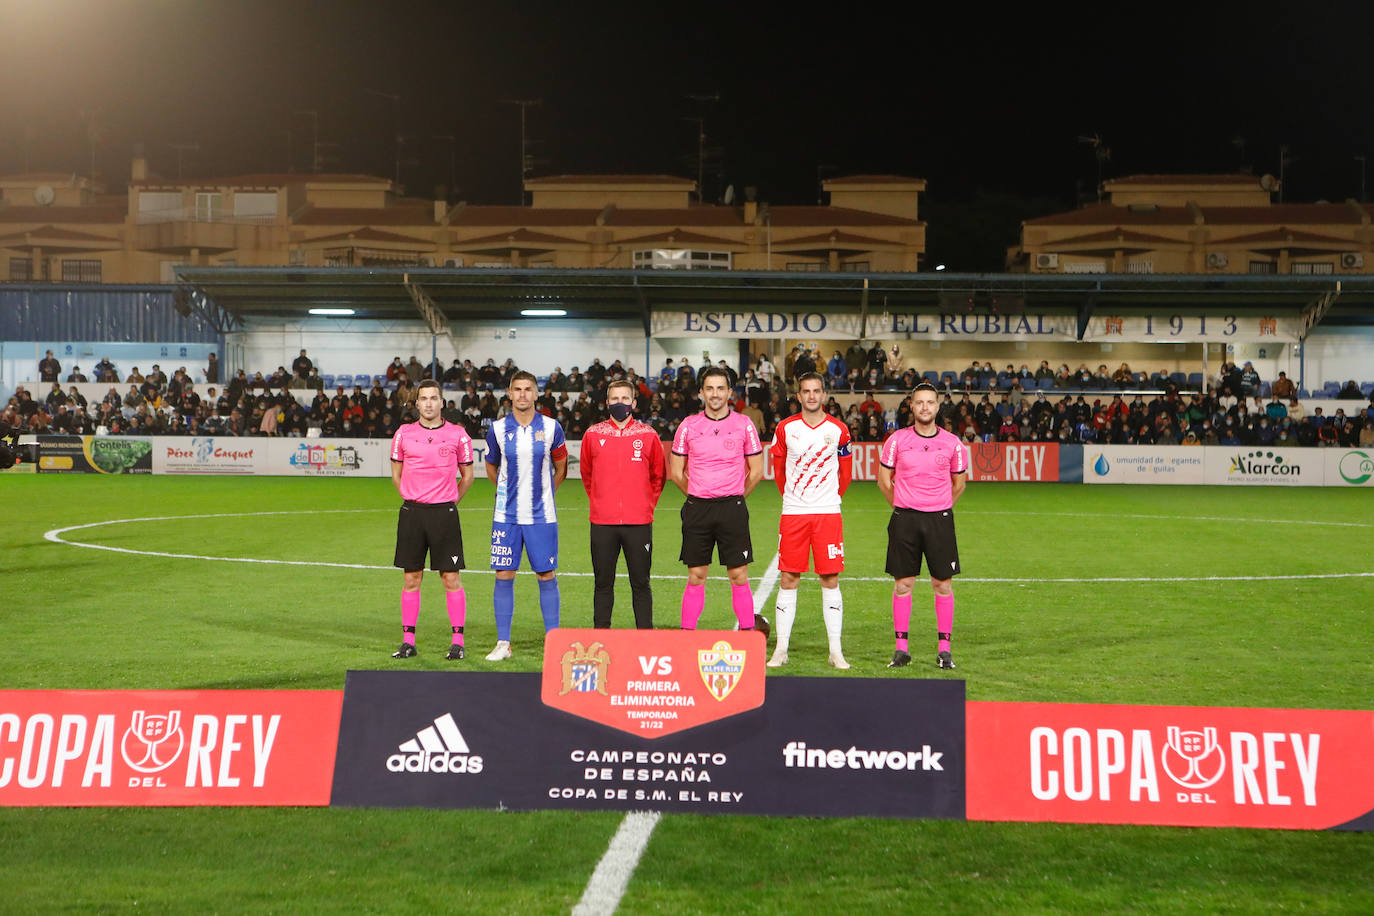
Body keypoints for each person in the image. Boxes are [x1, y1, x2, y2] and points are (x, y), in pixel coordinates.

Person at [877, 381, 969, 670]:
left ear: (938, 406)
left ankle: (945, 650)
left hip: (939, 519)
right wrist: (903, 504)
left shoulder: (953, 443)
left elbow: (959, 484)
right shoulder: (896, 440)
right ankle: (901, 650)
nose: (925, 407)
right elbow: (883, 480)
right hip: (905, 518)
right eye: (920, 402)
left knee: (942, 584)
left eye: (930, 402)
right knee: (903, 584)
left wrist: (938, 506)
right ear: (912, 406)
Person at [670, 366, 768, 633]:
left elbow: (757, 471)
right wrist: (698, 493)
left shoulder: (744, 425)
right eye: (710, 388)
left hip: (732, 509)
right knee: (696, 576)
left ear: (729, 393)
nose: (715, 394)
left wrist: (735, 496)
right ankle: (687, 635)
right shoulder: (688, 426)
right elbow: (676, 473)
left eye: (720, 388)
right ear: (702, 392)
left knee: (738, 576)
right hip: (697, 509)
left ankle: (747, 634)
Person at [767, 372, 853, 669]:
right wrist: (794, 498)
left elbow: (846, 473)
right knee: (789, 577)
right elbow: (779, 470)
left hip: (828, 513)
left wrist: (827, 498)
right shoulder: (785, 428)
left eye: (817, 391)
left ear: (824, 394)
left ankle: (835, 651)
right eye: (806, 391)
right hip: (794, 513)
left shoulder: (839, 429)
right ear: (799, 396)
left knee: (830, 578)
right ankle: (781, 649)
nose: (812, 396)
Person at [388, 379, 476, 660]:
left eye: (433, 398)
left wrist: (449, 501)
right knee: (411, 578)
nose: (428, 403)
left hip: (444, 515)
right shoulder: (403, 433)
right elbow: (396, 474)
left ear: (442, 403)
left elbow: (468, 476)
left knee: (451, 577)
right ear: (417, 405)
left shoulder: (458, 435)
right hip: (412, 513)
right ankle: (408, 641)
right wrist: (412, 495)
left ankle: (458, 642)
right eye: (423, 399)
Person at [484, 371, 568, 660]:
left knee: (546, 574)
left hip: (541, 516)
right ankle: (503, 643)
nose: (522, 394)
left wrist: (544, 495)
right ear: (509, 393)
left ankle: (553, 641)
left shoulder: (552, 427)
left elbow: (561, 468)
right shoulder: (496, 429)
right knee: (504, 573)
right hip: (506, 516)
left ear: (536, 393)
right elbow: (491, 466)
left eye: (527, 389)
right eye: (517, 389)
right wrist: (508, 493)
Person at [581, 379, 667, 629]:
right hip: (602, 523)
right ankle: (602, 635)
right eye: (615, 399)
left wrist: (645, 506)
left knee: (641, 583)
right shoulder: (593, 434)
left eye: (625, 399)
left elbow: (658, 477)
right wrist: (600, 501)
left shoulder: (648, 435)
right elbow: (587, 475)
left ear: (634, 403)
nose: (620, 403)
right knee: (602, 583)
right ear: (607, 402)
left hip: (639, 522)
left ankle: (645, 638)